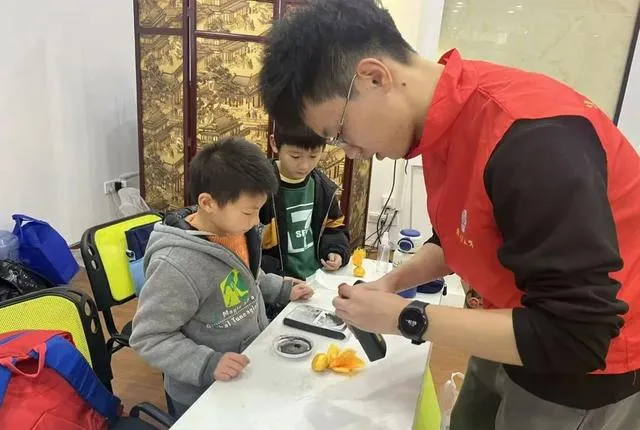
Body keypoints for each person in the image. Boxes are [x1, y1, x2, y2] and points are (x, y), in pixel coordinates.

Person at [257, 1, 640, 428]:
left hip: (579, 368)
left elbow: (579, 334)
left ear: (374, 77)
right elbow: (462, 234)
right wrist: (392, 283)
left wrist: (406, 317)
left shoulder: (533, 141)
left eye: (340, 131)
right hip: (506, 324)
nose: (352, 152)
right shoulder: (442, 123)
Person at [130, 137, 314, 418]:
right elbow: (149, 336)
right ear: (208, 203)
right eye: (248, 211)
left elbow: (246, 276)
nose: (256, 221)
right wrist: (207, 363)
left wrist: (281, 289)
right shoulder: (176, 266)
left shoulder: (236, 231)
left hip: (246, 366)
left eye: (259, 210)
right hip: (202, 391)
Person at [260, 125, 350, 281]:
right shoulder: (259, 188)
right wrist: (277, 281)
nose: (304, 166)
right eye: (295, 156)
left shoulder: (323, 187)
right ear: (274, 144)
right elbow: (247, 245)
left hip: (316, 277)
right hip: (276, 282)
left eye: (313, 156)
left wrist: (335, 250)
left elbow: (334, 227)